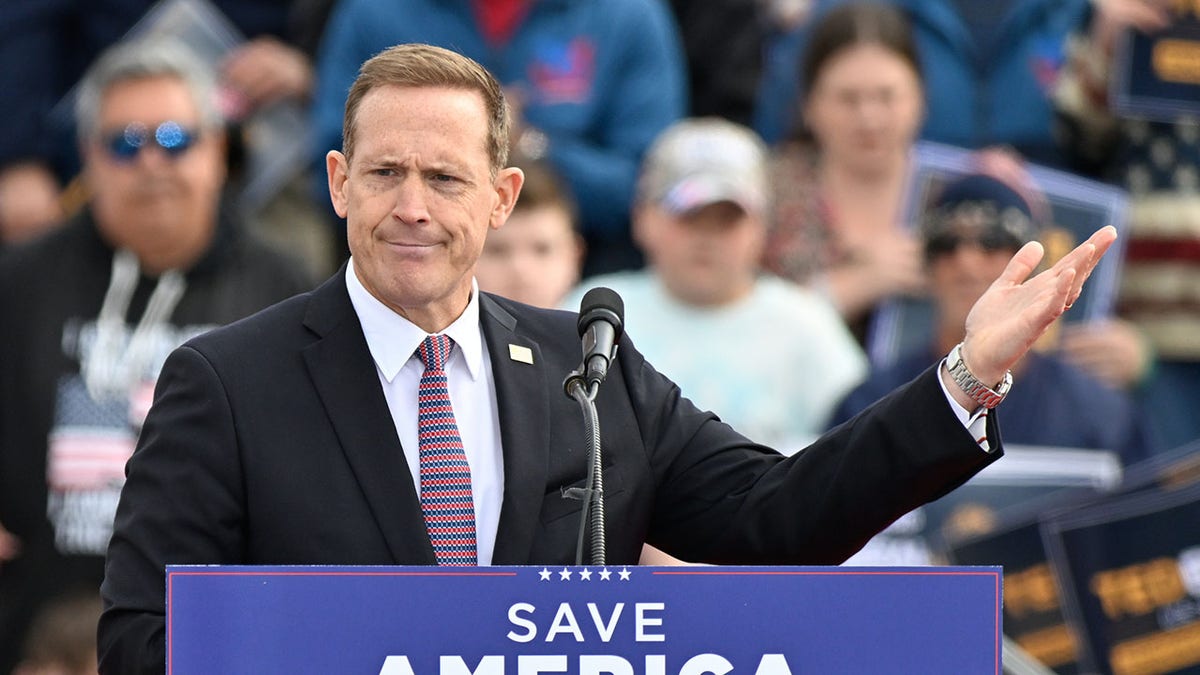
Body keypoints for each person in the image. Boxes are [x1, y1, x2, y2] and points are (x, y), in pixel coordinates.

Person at [98, 43, 1117, 672]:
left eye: (445, 179)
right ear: (336, 183)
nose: (413, 206)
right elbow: (141, 643)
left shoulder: (589, 370)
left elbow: (780, 519)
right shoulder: (227, 383)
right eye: (386, 172)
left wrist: (965, 378)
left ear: (499, 200)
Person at [0, 39, 315, 673]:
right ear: (88, 157)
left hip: (206, 619)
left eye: (175, 139)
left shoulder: (285, 289)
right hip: (34, 613)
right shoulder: (22, 279)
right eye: (124, 143)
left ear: (219, 150)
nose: (151, 163)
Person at [310, 0, 687, 275]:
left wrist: (524, 142)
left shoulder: (625, 15)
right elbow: (334, 160)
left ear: (504, 194)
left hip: (587, 276)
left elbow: (644, 187)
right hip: (401, 271)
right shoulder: (375, 12)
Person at [567, 117, 867, 449]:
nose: (707, 238)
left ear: (762, 226)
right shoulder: (594, 310)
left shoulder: (807, 321)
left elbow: (856, 443)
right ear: (643, 218)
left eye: (727, 219)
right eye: (689, 217)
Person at [830, 171, 1156, 465]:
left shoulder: (1100, 415)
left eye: (992, 241)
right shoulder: (870, 406)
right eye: (947, 244)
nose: (967, 262)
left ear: (1032, 264)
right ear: (928, 267)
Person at [0, 0, 335, 248]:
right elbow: (21, 18)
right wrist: (19, 155)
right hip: (82, 150)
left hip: (270, 145)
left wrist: (310, 68)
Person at [1052, 0, 1200, 450]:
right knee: (1165, 490)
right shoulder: (1120, 10)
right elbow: (1076, 143)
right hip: (1139, 326)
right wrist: (1106, 46)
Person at [760, 2, 928, 348]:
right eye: (848, 99)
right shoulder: (769, 187)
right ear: (809, 104)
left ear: (919, 98)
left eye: (887, 96)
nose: (869, 118)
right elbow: (741, 318)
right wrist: (856, 284)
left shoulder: (948, 189)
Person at [754, 0, 1093, 171]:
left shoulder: (1085, 11)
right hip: (885, 211)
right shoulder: (844, 11)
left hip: (1061, 231)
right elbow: (782, 121)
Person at [474, 160, 585, 311]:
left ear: (575, 257)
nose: (521, 270)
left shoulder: (611, 331)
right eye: (497, 251)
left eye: (542, 250)